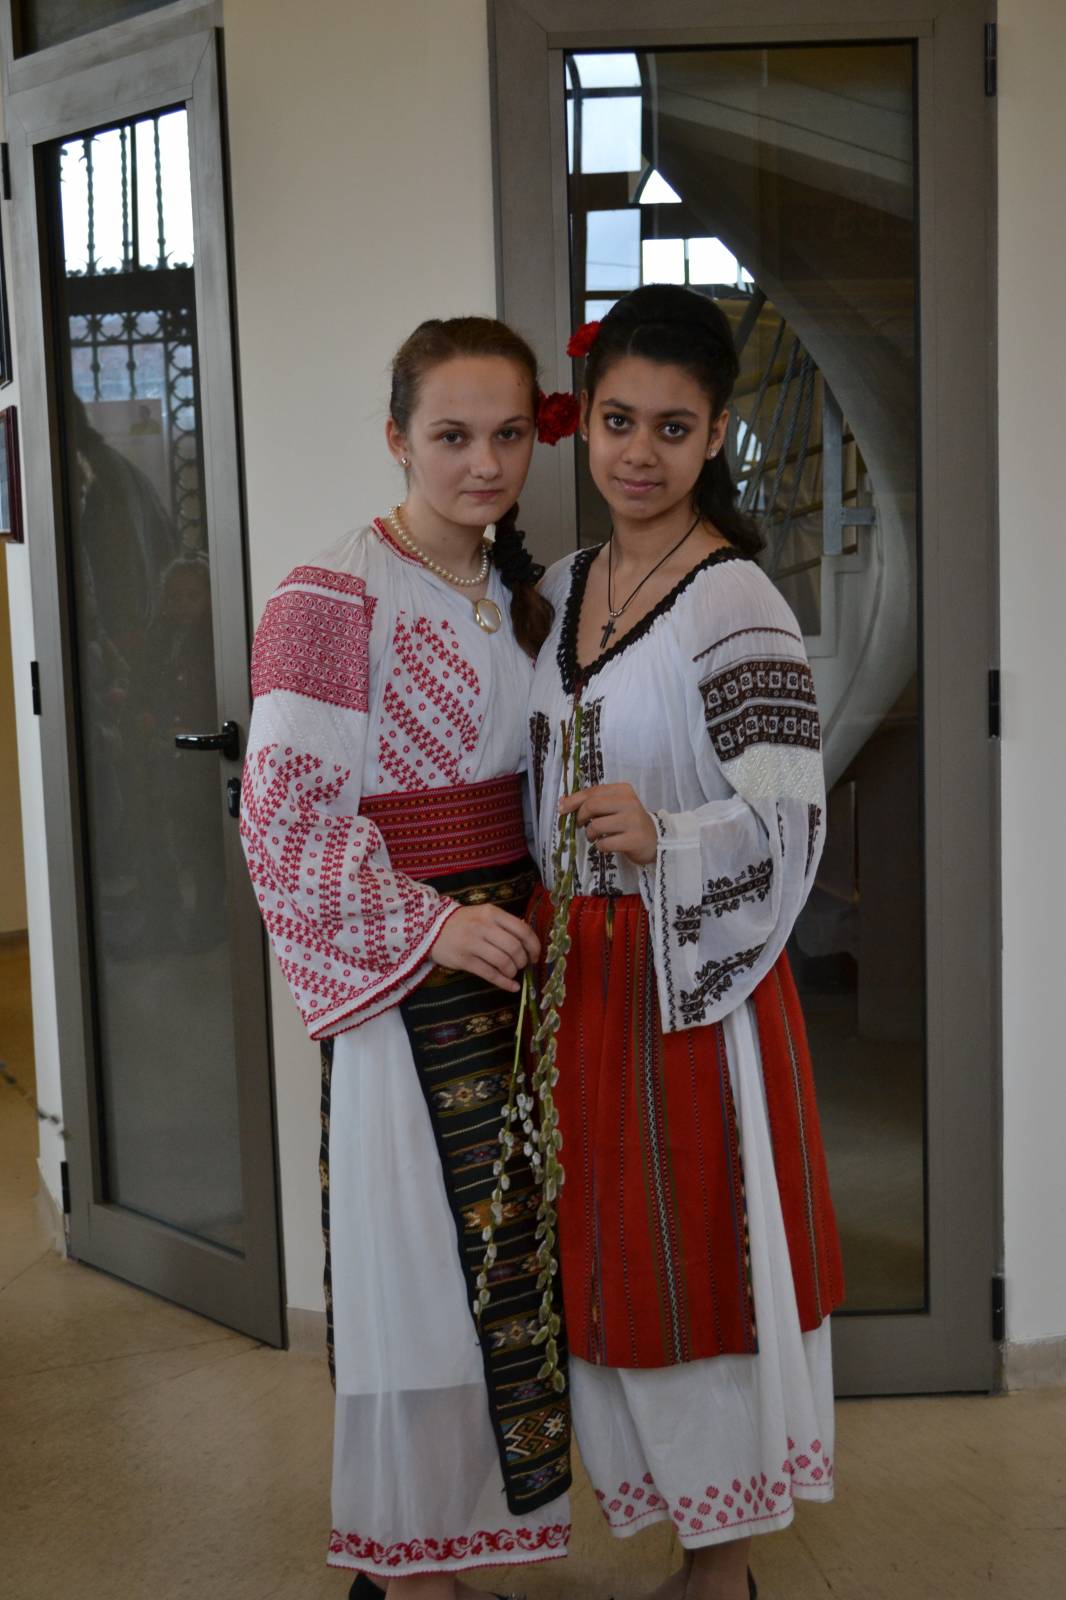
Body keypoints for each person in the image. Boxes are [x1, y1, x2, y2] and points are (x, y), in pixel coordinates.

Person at [240, 318, 577, 1600]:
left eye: (507, 435)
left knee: (500, 1260)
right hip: (407, 969)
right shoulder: (330, 594)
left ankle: (458, 1543)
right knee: (414, 1271)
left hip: (516, 955)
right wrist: (432, 924)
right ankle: (409, 1569)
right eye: (450, 435)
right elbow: (281, 812)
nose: (483, 463)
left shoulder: (524, 593)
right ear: (396, 438)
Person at [525, 284, 844, 1600]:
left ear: (715, 435)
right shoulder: (558, 588)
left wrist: (664, 838)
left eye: (672, 426)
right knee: (605, 1264)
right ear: (583, 422)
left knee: (701, 1252)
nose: (639, 453)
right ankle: (670, 1522)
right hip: (578, 980)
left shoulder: (735, 602)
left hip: (691, 987)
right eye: (617, 421)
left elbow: (791, 818)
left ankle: (724, 1566)